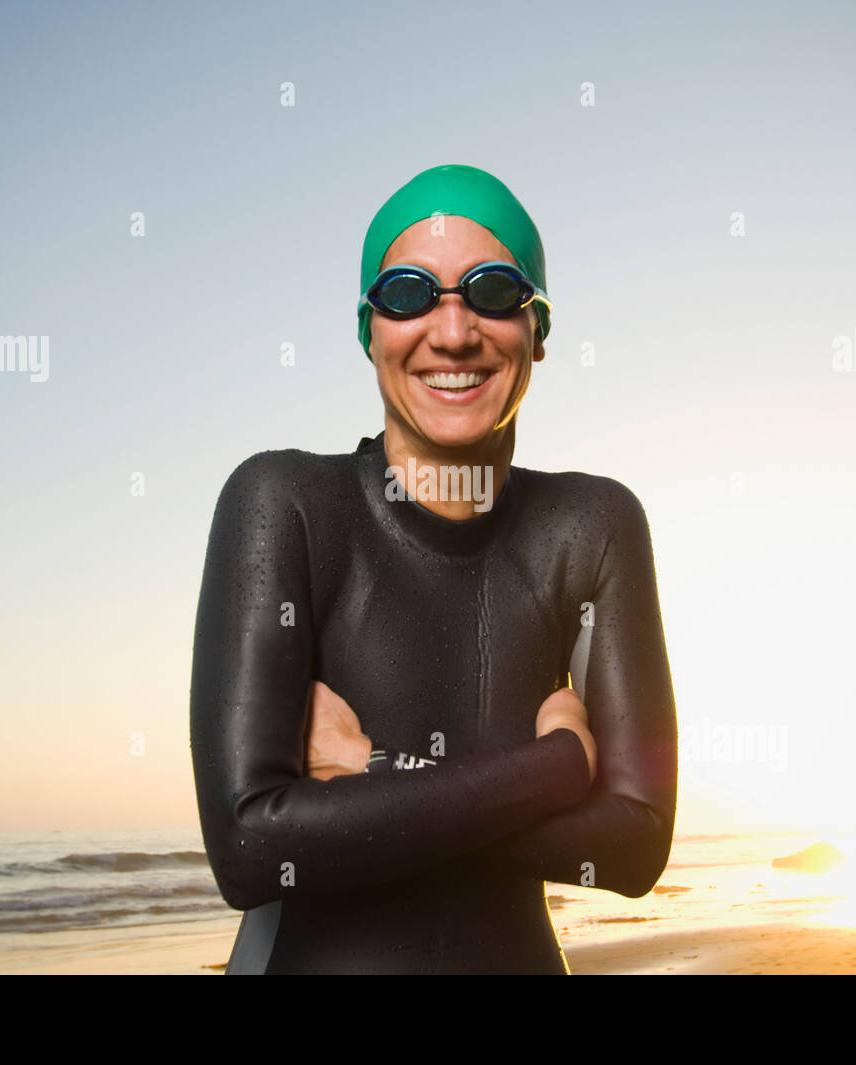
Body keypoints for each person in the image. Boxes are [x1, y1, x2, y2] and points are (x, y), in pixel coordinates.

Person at [189, 163, 678, 974]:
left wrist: (371, 771)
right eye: (409, 294)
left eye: (492, 291)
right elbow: (250, 846)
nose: (453, 332)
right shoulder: (286, 503)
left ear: (540, 330)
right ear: (368, 331)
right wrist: (558, 767)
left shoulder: (592, 527)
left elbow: (632, 845)